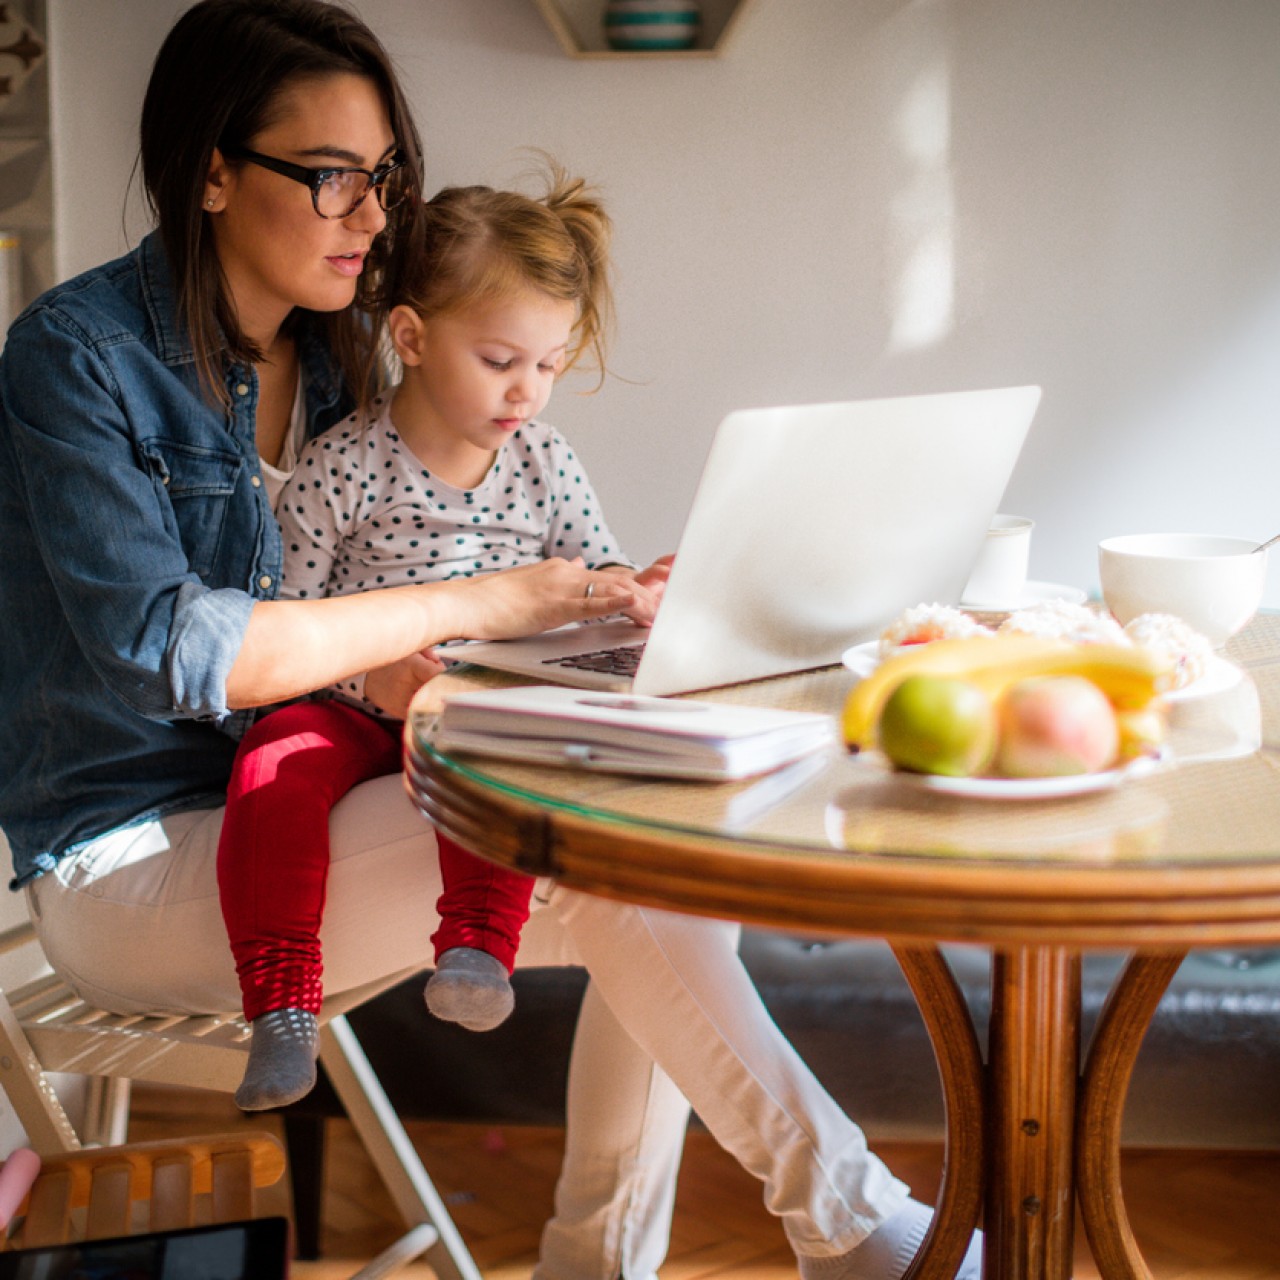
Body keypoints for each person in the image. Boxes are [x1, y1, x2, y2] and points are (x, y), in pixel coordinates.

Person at [0, 2, 981, 1277]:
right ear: (212, 172)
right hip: (134, 855)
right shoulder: (77, 359)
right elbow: (184, 655)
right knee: (595, 839)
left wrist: (583, 619)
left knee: (654, 856)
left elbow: (391, 612)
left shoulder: (353, 358)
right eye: (332, 175)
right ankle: (848, 1225)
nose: (372, 216)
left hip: (337, 797)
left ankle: (627, 1255)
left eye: (384, 177)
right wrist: (477, 608)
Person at [218, 167, 675, 1110]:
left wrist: (637, 592)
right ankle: (282, 1005)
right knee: (270, 766)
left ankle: (477, 946)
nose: (530, 393)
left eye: (549, 365)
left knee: (500, 758)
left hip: (472, 707)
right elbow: (285, 637)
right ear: (413, 337)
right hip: (348, 708)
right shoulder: (341, 464)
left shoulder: (545, 462)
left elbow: (594, 576)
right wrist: (374, 683)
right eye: (503, 361)